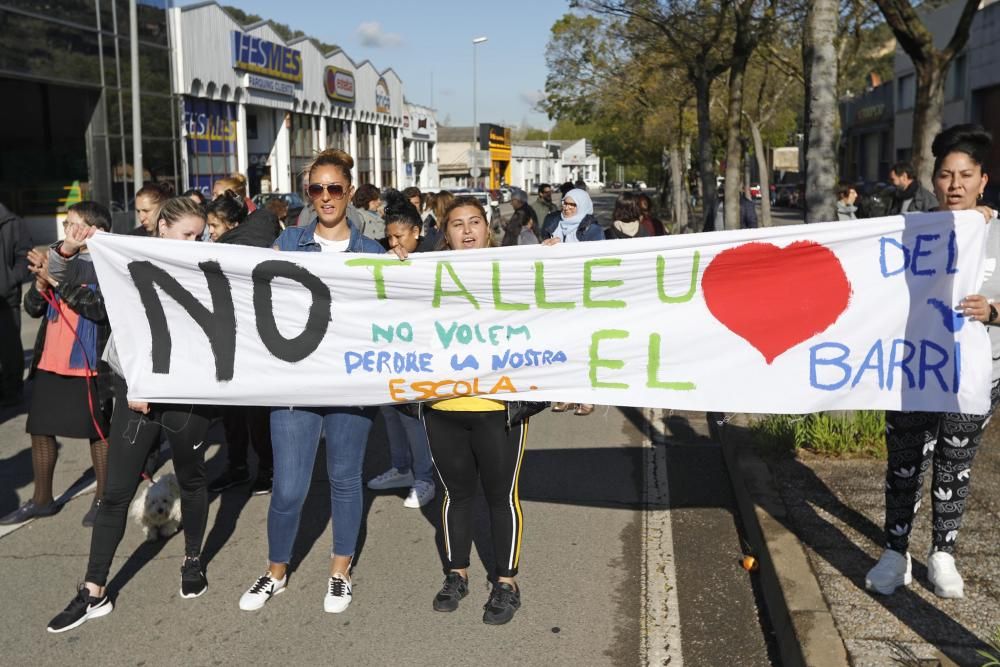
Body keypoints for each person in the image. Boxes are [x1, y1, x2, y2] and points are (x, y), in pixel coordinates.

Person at [47, 197, 217, 633]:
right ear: (162, 228)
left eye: (200, 235)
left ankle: (193, 560)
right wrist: (67, 248)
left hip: (186, 397)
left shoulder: (208, 265)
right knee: (115, 493)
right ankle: (93, 590)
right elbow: (71, 274)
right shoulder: (123, 258)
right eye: (186, 234)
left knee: (193, 480)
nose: (194, 242)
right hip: (136, 395)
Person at [238, 149, 384, 615]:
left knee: (344, 480)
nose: (325, 197)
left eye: (334, 188)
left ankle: (339, 570)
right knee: (289, 487)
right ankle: (275, 571)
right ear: (307, 194)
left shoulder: (372, 252)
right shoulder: (287, 242)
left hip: (350, 386)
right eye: (316, 189)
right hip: (296, 384)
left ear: (349, 191)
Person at [392, 195, 541, 625]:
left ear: (488, 228)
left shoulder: (513, 269)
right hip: (443, 407)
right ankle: (457, 573)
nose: (468, 230)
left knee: (500, 496)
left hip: (499, 408)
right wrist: (391, 264)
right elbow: (388, 308)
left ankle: (506, 583)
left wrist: (551, 262)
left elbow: (550, 306)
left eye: (475, 222)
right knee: (454, 494)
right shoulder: (423, 274)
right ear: (445, 232)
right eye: (457, 224)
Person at [865, 124, 998, 600]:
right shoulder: (909, 230)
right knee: (904, 463)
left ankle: (943, 554)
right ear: (933, 179)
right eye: (946, 175)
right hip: (912, 368)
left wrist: (994, 310)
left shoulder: (997, 232)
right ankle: (893, 552)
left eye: (966, 174)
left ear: (983, 179)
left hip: (975, 375)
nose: (955, 185)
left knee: (954, 465)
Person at [0, 203, 113, 527]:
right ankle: (42, 500)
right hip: (51, 359)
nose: (67, 232)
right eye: (67, 225)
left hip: (88, 363)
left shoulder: (104, 264)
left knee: (98, 433)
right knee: (40, 429)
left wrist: (58, 280)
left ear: (93, 230)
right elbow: (33, 308)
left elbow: (98, 310)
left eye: (74, 225)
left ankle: (103, 500)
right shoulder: (57, 257)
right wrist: (40, 285)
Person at [203, 195, 279, 496]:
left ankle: (262, 469)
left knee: (253, 413)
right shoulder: (243, 239)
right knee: (237, 412)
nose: (210, 232)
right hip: (234, 340)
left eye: (214, 225)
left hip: (249, 341)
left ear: (232, 224)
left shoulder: (237, 246)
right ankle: (250, 468)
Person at [367, 190, 437, 508]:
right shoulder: (385, 260)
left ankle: (424, 477)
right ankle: (402, 468)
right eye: (389, 237)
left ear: (416, 233)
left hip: (419, 354)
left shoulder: (435, 256)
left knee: (412, 416)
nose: (393, 243)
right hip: (389, 350)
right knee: (389, 411)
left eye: (399, 237)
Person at [541, 188, 601, 416]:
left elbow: (599, 259)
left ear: (582, 207)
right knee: (561, 346)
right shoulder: (552, 225)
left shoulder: (592, 230)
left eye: (571, 205)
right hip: (557, 297)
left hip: (584, 298)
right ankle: (564, 395)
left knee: (583, 348)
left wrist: (565, 250)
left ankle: (586, 397)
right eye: (564, 203)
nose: (566, 208)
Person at [0, 202, 32, 406]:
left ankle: (12, 392)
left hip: (6, 298)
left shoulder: (13, 223)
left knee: (9, 349)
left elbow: (25, 257)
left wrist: (9, 280)